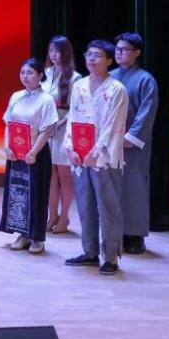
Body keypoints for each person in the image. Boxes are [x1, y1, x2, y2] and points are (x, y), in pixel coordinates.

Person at [63, 40, 129, 275]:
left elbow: (113, 125)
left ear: (109, 61)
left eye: (98, 55)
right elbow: (72, 118)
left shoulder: (117, 89)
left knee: (108, 207)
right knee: (85, 204)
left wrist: (96, 151)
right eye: (89, 54)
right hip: (80, 157)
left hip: (105, 158)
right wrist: (70, 147)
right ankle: (90, 251)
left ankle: (110, 257)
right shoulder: (79, 85)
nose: (92, 59)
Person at [0, 58, 59, 254]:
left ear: (40, 75)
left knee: (36, 195)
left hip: (36, 154)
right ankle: (22, 234)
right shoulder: (16, 96)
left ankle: (37, 238)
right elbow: (8, 123)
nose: (25, 76)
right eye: (23, 72)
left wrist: (33, 152)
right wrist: (6, 146)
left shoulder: (46, 99)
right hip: (16, 154)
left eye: (30, 73)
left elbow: (47, 129)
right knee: (18, 195)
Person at [111, 32, 158, 255]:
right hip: (109, 142)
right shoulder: (109, 77)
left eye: (125, 49)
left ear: (137, 52)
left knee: (134, 186)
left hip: (133, 144)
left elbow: (147, 112)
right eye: (117, 49)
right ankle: (115, 231)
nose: (119, 53)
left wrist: (130, 138)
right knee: (112, 186)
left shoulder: (145, 79)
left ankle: (135, 235)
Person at [42, 36, 81, 234]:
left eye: (57, 51)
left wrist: (60, 123)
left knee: (65, 174)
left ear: (66, 52)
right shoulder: (45, 73)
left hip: (64, 129)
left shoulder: (75, 78)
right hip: (45, 129)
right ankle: (52, 216)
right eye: (51, 51)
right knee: (50, 174)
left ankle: (65, 217)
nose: (53, 55)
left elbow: (76, 108)